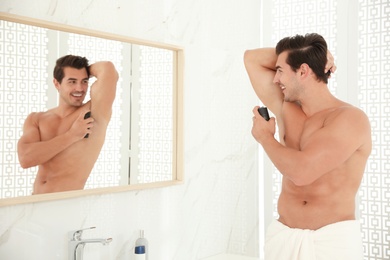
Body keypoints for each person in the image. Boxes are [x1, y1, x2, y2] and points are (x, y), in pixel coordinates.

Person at [244, 33, 372, 259]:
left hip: (332, 243)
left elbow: (302, 173)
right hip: (283, 237)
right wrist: (317, 56)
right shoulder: (287, 108)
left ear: (303, 71)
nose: (275, 79)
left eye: (280, 71)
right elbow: (251, 59)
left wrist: (265, 137)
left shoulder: (351, 119)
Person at [17, 55, 119, 194]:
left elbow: (108, 69)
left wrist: (82, 70)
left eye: (84, 81)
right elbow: (25, 159)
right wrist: (72, 135)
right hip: (34, 201)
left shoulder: (94, 112)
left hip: (67, 204)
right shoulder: (37, 119)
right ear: (57, 83)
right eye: (72, 81)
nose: (80, 88)